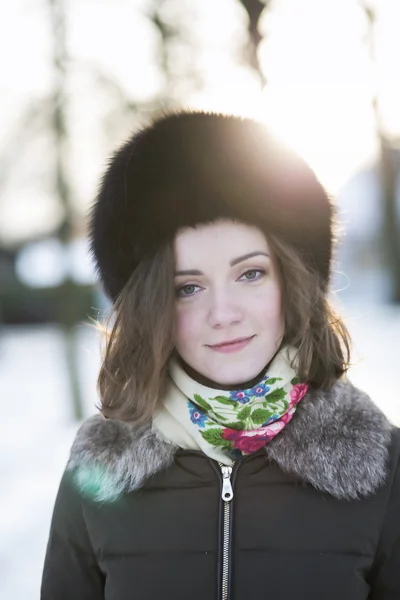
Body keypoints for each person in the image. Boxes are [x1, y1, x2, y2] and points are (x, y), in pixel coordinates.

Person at [41, 111, 400, 600]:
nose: (223, 312)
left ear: (290, 283)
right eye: (188, 287)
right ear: (152, 308)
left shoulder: (382, 467)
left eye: (250, 274)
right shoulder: (99, 472)